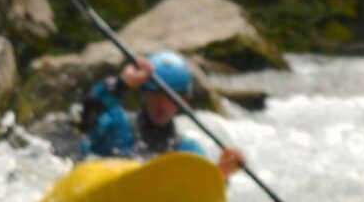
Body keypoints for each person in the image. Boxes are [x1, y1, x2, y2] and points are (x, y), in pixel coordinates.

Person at [78, 48, 245, 177]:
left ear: (183, 100)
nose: (162, 104)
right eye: (156, 94)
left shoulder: (187, 152)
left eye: (170, 97)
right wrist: (122, 84)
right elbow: (85, 119)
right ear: (145, 94)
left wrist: (221, 174)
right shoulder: (116, 124)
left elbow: (201, 197)